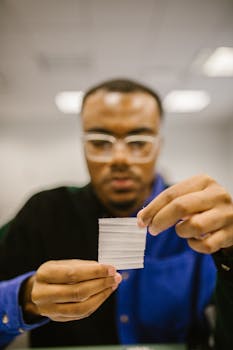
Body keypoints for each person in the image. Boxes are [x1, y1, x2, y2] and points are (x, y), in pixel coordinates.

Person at [0, 79, 233, 349]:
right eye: (100, 142)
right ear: (84, 145)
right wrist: (22, 300)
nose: (119, 158)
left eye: (138, 141)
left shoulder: (198, 217)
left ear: (158, 145)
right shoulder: (43, 213)